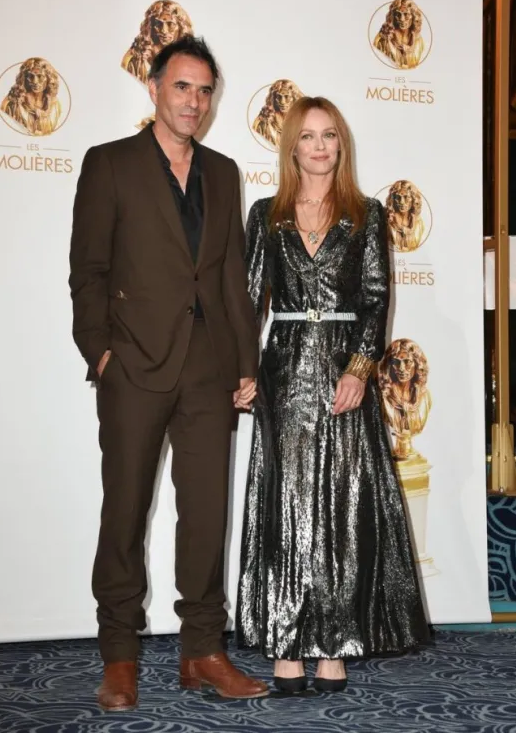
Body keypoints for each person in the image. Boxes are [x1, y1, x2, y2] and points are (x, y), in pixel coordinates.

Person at [69, 35, 268, 710]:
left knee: (206, 515)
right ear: (154, 88)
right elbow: (88, 272)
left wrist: (246, 364)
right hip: (134, 366)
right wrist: (100, 352)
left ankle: (202, 653)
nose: (194, 101)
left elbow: (232, 280)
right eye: (182, 86)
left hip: (209, 371)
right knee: (124, 512)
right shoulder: (110, 165)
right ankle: (119, 656)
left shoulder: (224, 171)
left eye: (204, 90)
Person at [235, 96, 429, 694]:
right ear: (291, 145)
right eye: (309, 137)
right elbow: (247, 303)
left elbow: (375, 298)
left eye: (330, 137)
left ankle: (334, 644)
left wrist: (361, 368)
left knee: (341, 511)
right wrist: (242, 370)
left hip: (344, 373)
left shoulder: (366, 214)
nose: (319, 147)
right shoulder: (266, 215)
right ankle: (288, 644)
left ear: (340, 146)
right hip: (285, 372)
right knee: (287, 509)